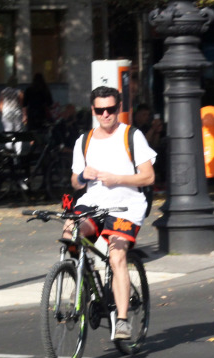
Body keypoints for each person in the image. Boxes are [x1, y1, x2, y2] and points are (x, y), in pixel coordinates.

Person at [62, 86, 157, 341]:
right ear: (93, 110)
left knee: (116, 256)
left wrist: (118, 179)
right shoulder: (84, 141)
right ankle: (82, 275)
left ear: (118, 108)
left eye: (111, 109)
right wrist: (83, 176)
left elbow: (148, 176)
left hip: (126, 206)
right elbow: (75, 182)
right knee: (70, 232)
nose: (106, 114)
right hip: (94, 202)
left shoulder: (132, 136)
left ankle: (123, 321)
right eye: (100, 110)